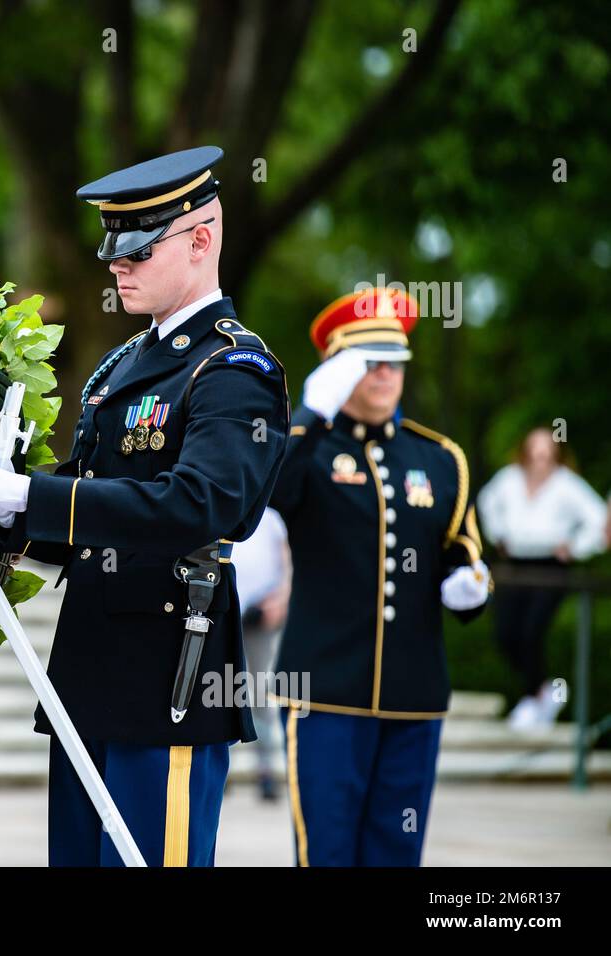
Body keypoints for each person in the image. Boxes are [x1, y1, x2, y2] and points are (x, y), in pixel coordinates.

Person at [0, 146, 290, 867]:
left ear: (201, 240)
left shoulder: (232, 369)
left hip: (167, 677)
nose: (116, 265)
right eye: (113, 250)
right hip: (89, 672)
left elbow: (202, 504)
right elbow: (82, 515)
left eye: (138, 249)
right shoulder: (123, 365)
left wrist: (32, 494)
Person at [268, 288, 491, 866]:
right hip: (323, 690)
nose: (387, 372)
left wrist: (467, 588)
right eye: (371, 362)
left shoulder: (439, 459)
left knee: (397, 853)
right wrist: (308, 417)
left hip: (413, 695)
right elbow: (265, 499)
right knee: (327, 851)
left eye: (396, 360)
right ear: (339, 370)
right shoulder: (307, 450)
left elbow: (460, 552)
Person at [477, 428, 607, 728]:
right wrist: (498, 535)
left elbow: (598, 520)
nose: (540, 459)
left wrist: (575, 548)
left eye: (546, 452)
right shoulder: (509, 479)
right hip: (515, 565)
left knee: (531, 631)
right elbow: (485, 503)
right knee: (505, 632)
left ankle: (535, 696)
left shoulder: (567, 485)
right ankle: (541, 691)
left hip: (550, 567)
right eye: (535, 451)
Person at [231, 505, 291, 802]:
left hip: (259, 615)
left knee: (258, 695)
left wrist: (277, 603)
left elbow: (286, 568)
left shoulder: (271, 519)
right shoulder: (228, 509)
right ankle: (223, 766)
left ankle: (265, 770)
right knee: (218, 692)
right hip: (224, 614)